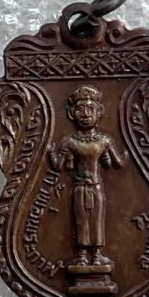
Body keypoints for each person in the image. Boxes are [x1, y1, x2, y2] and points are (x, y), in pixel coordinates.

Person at [48, 85, 127, 267]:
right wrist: (51, 152)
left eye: (91, 109)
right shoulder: (69, 142)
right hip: (79, 188)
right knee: (81, 220)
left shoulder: (104, 141)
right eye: (80, 109)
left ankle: (97, 255)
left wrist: (129, 152)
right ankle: (82, 256)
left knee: (97, 219)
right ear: (71, 114)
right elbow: (58, 165)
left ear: (99, 112)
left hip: (96, 186)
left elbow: (118, 164)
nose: (85, 114)